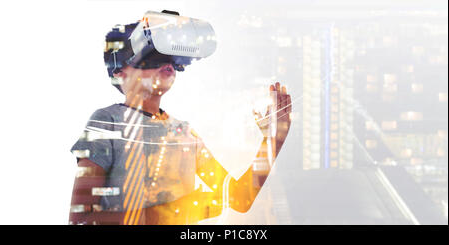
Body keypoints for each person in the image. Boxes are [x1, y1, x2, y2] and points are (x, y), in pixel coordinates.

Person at [69, 14, 292, 225]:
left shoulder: (184, 134)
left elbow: (238, 198)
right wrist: (177, 211)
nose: (166, 62)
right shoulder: (108, 122)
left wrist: (273, 141)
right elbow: (81, 220)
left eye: (170, 56)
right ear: (119, 71)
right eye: (152, 54)